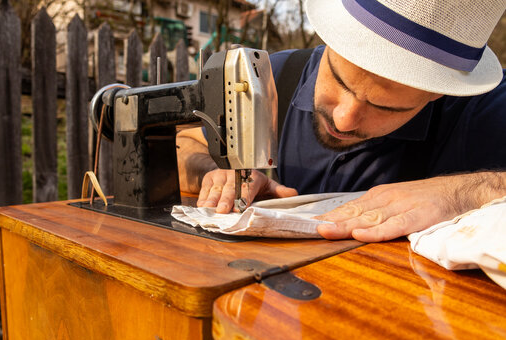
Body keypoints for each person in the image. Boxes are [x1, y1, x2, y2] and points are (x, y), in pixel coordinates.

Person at [176, 0, 506, 242]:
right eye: (339, 79)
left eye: (385, 107)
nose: (343, 119)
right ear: (330, 38)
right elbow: (185, 144)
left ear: (437, 93)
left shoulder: (483, 109)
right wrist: (215, 171)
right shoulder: (269, 80)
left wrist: (467, 192)